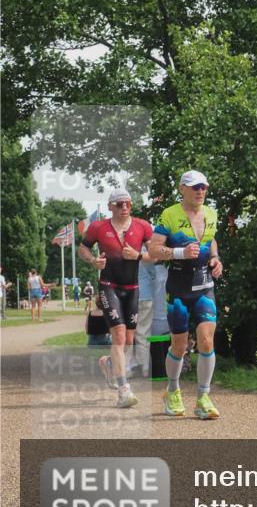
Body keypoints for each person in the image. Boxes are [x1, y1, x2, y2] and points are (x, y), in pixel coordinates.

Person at [148, 170, 223, 420]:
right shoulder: (170, 214)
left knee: (206, 341)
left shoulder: (211, 213)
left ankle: (203, 397)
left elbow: (211, 241)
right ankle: (172, 390)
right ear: (182, 189)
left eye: (203, 187)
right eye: (194, 187)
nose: (200, 191)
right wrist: (180, 253)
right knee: (179, 345)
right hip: (178, 290)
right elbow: (154, 250)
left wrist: (215, 258)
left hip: (204, 287)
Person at [79, 189, 153, 409]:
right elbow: (83, 248)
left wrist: (138, 255)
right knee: (119, 336)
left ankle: (109, 363)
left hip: (132, 287)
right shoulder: (98, 227)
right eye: (119, 204)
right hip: (109, 285)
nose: (124, 207)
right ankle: (123, 391)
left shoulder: (143, 226)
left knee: (128, 341)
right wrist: (93, 260)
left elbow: (155, 254)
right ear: (110, 206)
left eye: (127, 204)